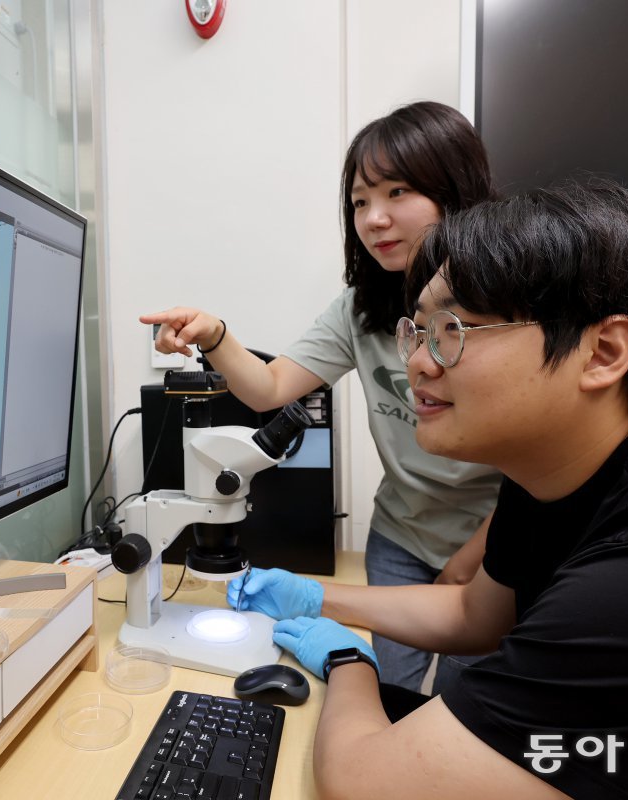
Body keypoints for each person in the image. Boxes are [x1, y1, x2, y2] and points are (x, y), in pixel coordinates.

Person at [249, 179, 628, 799]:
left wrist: (348, 662)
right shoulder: (555, 462)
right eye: (420, 330)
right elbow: (474, 614)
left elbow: (367, 785)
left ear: (603, 352)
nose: (419, 362)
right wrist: (312, 596)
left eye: (455, 329)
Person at [142, 101, 500, 693]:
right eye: (360, 202)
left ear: (456, 192)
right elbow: (270, 387)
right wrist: (216, 336)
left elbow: (544, 465)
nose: (375, 219)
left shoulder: (506, 308)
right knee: (396, 691)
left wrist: (467, 568)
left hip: (497, 540)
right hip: (402, 534)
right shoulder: (362, 307)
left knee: (468, 702)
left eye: (398, 192)